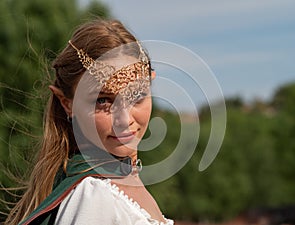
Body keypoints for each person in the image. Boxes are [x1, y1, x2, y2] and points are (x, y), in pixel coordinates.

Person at [5, 19, 173, 225]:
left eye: (137, 96)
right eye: (103, 101)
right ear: (67, 103)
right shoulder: (95, 196)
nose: (125, 119)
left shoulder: (118, 184)